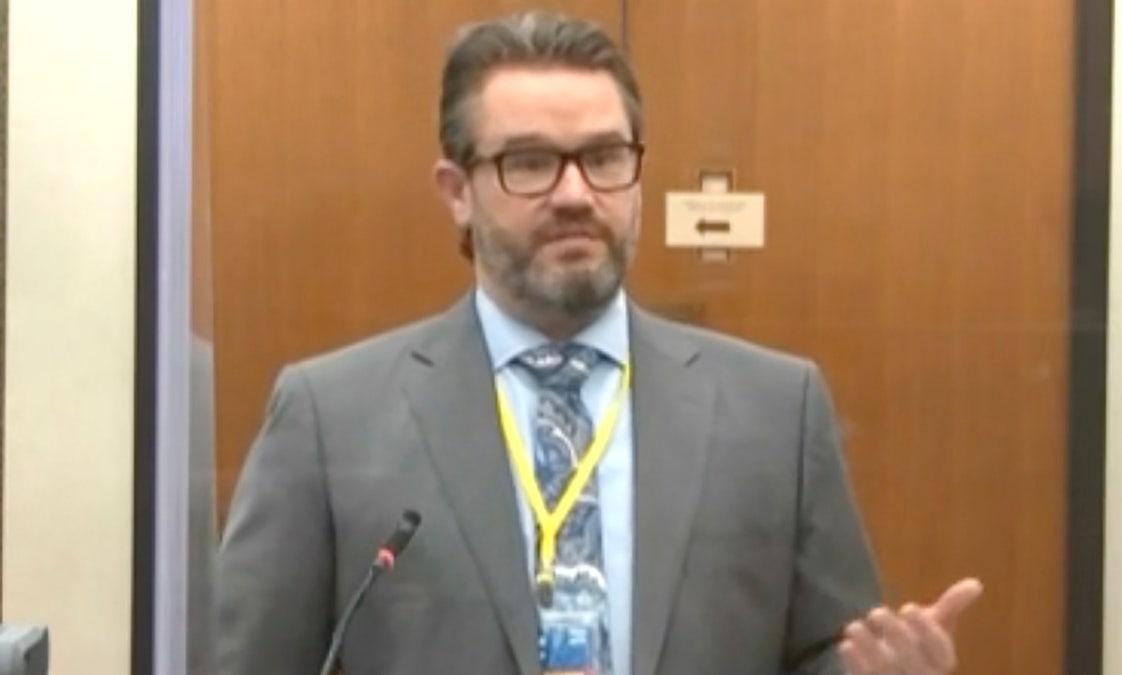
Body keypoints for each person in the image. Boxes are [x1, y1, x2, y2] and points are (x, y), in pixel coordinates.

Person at [215, 10, 983, 675]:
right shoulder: (331, 416)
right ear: (457, 191)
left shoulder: (777, 411)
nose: (577, 194)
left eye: (606, 157)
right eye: (531, 163)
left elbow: (822, 652)